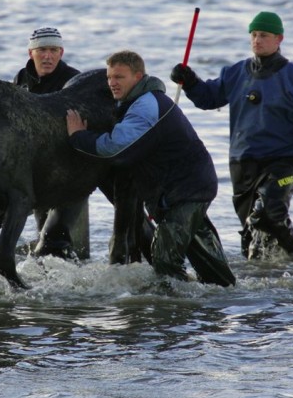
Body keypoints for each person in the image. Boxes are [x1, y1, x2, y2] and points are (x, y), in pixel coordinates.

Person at [170, 11, 293, 259]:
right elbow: (208, 98)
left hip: (285, 162)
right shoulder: (235, 73)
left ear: (279, 39)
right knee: (252, 231)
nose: (257, 40)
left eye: (264, 35)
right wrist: (191, 82)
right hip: (243, 162)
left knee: (270, 210)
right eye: (254, 34)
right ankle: (263, 283)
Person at [66, 50, 227, 281]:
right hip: (184, 189)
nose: (112, 83)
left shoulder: (145, 106)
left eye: (119, 77)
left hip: (185, 191)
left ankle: (176, 312)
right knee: (211, 269)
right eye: (110, 77)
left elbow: (116, 147)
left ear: (138, 77)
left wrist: (78, 137)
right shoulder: (136, 102)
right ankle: (225, 297)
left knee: (164, 262)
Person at [14, 27, 84, 259]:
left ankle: (73, 280)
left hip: (70, 170)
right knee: (43, 227)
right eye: (42, 50)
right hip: (36, 171)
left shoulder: (74, 80)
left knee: (55, 238)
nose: (48, 56)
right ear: (30, 52)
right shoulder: (22, 79)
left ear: (61, 52)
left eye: (53, 50)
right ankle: (60, 279)